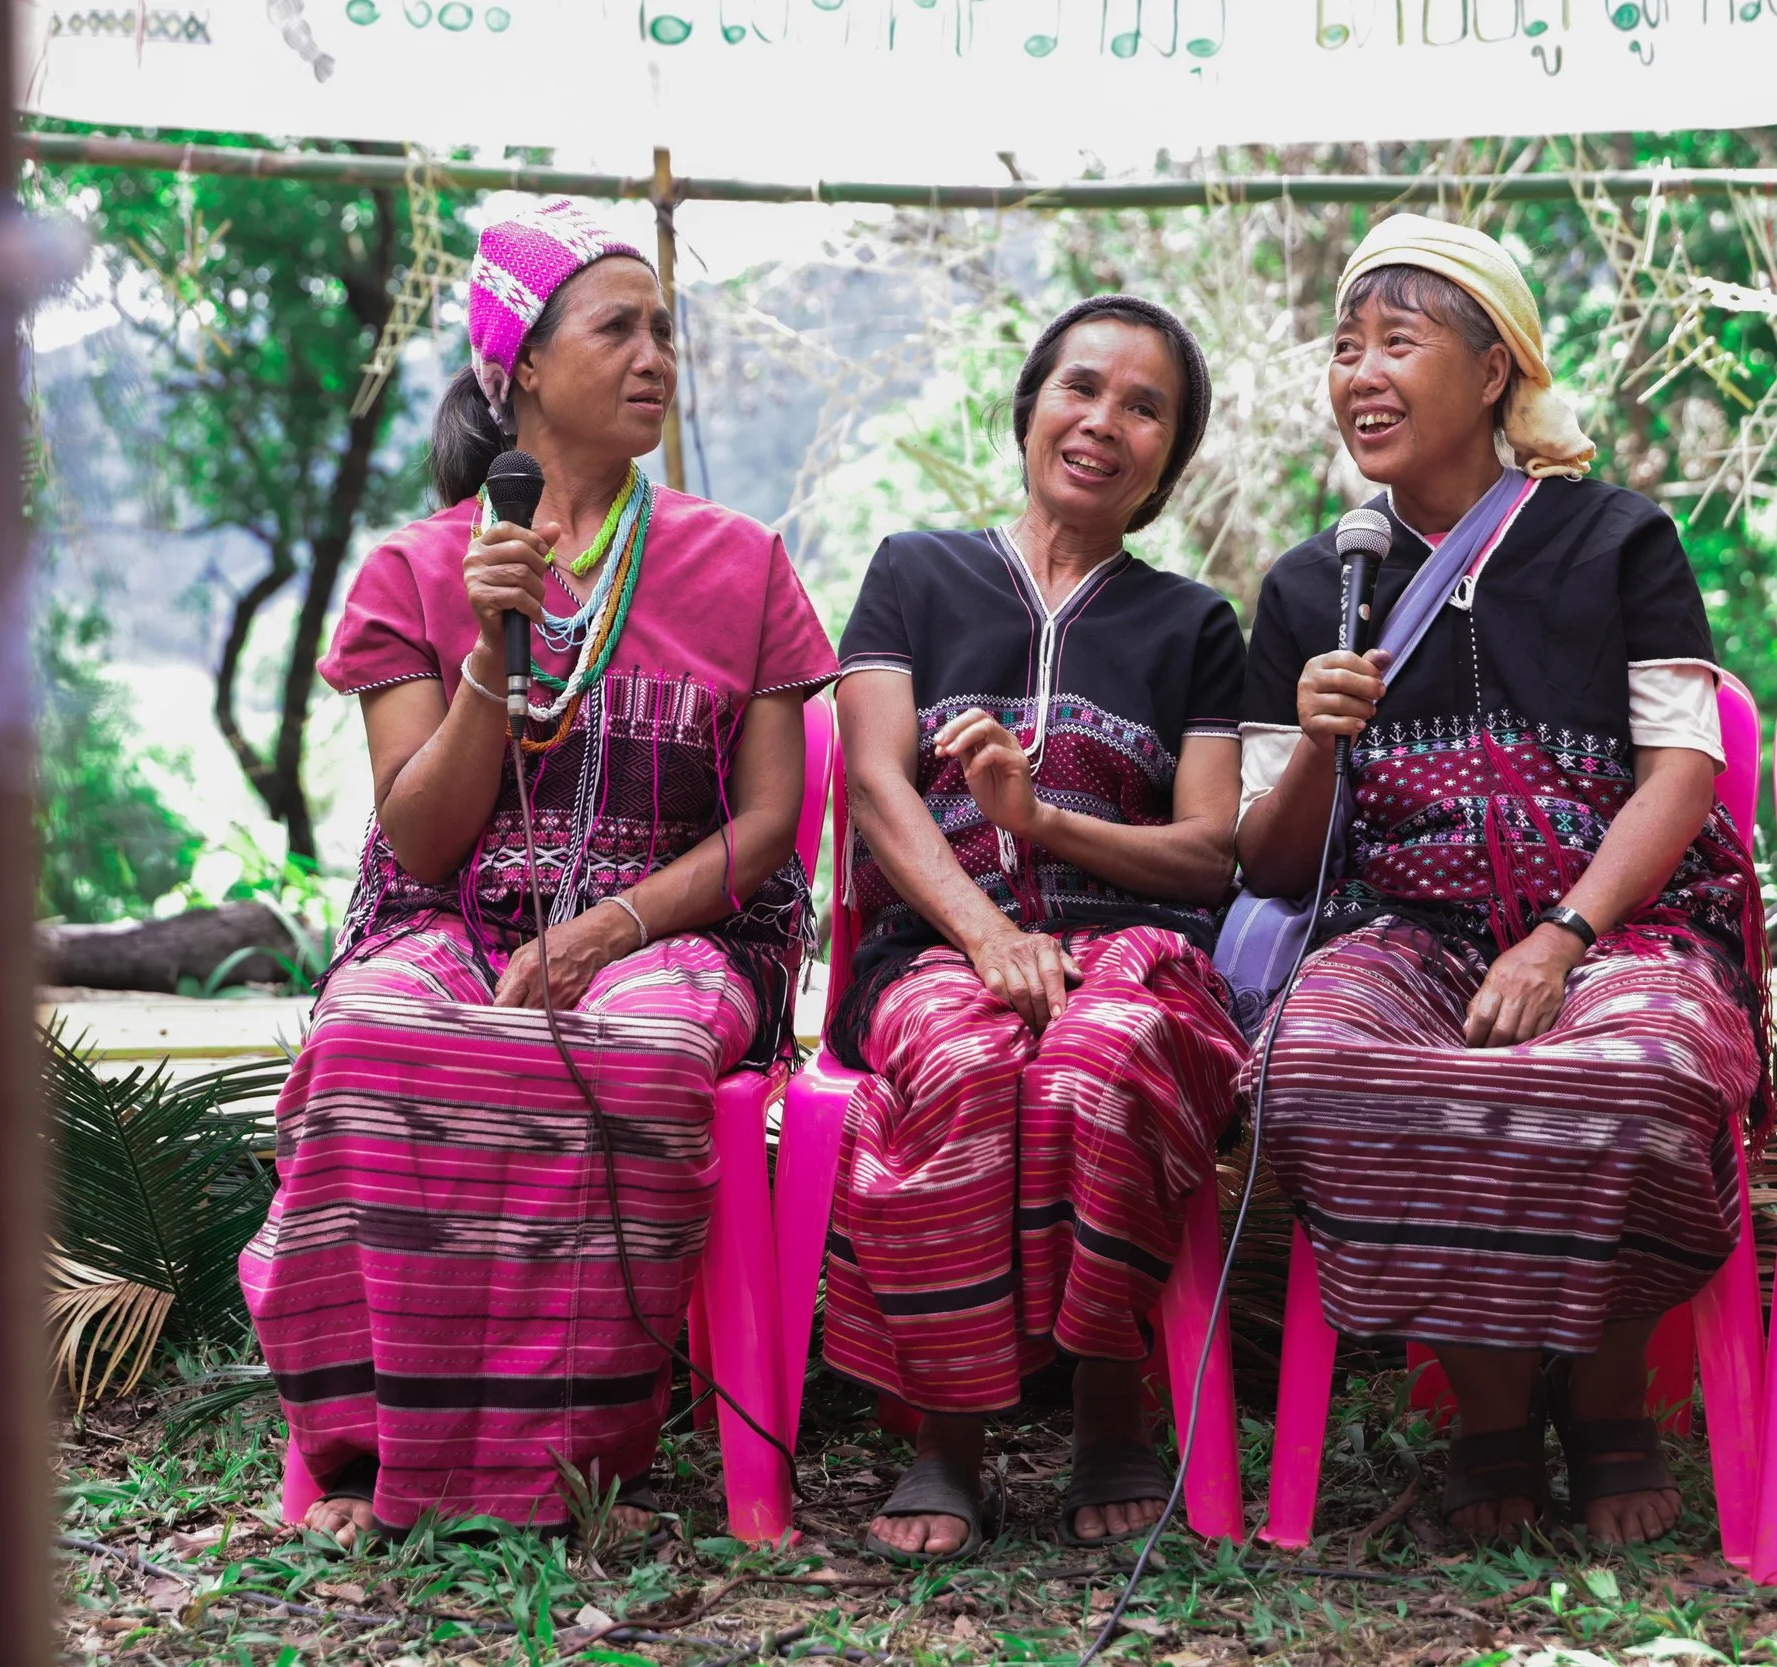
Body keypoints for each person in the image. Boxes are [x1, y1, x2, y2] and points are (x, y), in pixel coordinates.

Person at [239, 198, 837, 1548]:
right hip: (453, 908)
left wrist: (610, 926)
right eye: (615, 326)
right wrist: (490, 656)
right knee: (372, 1032)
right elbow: (425, 839)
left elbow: (767, 824)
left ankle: (563, 1460)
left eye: (664, 330)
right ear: (519, 367)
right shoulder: (413, 567)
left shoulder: (740, 563)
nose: (654, 357)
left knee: (634, 1048)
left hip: (686, 918)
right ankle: (363, 1445)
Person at [1236, 216, 1765, 1545]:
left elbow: (1682, 773)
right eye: (1345, 345)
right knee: (1319, 1061)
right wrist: (1312, 739)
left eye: (1398, 342)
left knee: (1640, 1071)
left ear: (1492, 370)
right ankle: (1483, 1413)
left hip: (1621, 926)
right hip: (1401, 932)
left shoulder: (1615, 540)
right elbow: (1274, 858)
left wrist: (1562, 935)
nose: (1361, 371)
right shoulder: (1312, 586)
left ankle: (1605, 1401)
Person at [823, 296, 1248, 1560]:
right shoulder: (915, 571)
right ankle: (945, 1432)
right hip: (933, 952)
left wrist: (1044, 823)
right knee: (964, 1058)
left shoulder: (1194, 628)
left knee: (1102, 1055)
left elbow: (1205, 850)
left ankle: (1113, 1405)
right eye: (1080, 387)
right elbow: (875, 782)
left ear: (1169, 457)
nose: (1102, 421)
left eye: (1143, 406)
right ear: (1028, 408)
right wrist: (981, 934)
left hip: (1132, 947)